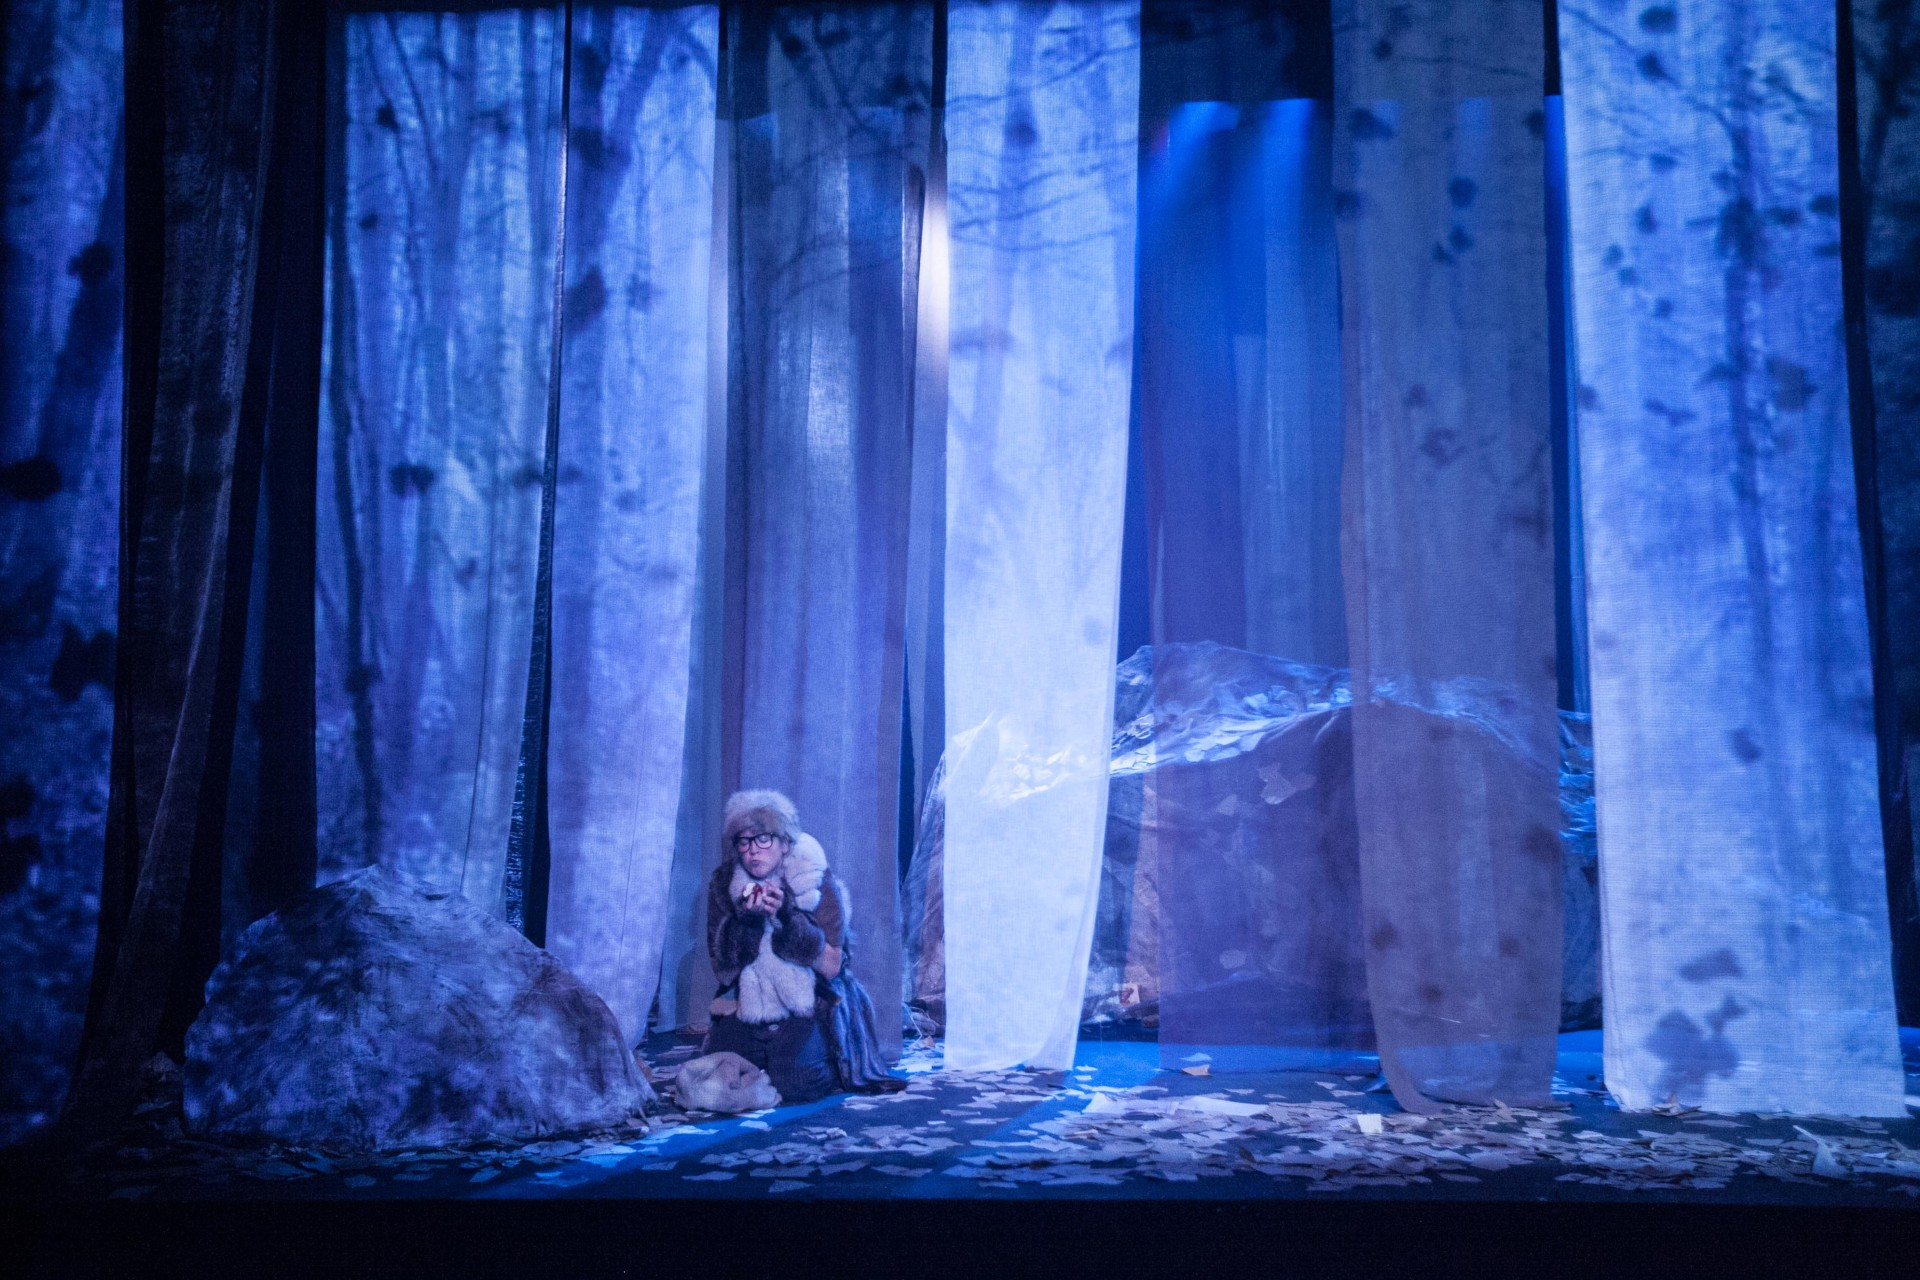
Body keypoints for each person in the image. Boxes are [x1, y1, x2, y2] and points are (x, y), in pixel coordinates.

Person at [703, 789, 905, 1103]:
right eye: (744, 841)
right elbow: (724, 970)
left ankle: (814, 1055)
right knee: (717, 1078)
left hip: (813, 1001)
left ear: (784, 843)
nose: (753, 851)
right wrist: (747, 921)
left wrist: (786, 917)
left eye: (763, 839)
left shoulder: (814, 879)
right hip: (747, 1003)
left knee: (797, 1082)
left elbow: (831, 965)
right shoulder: (724, 883)